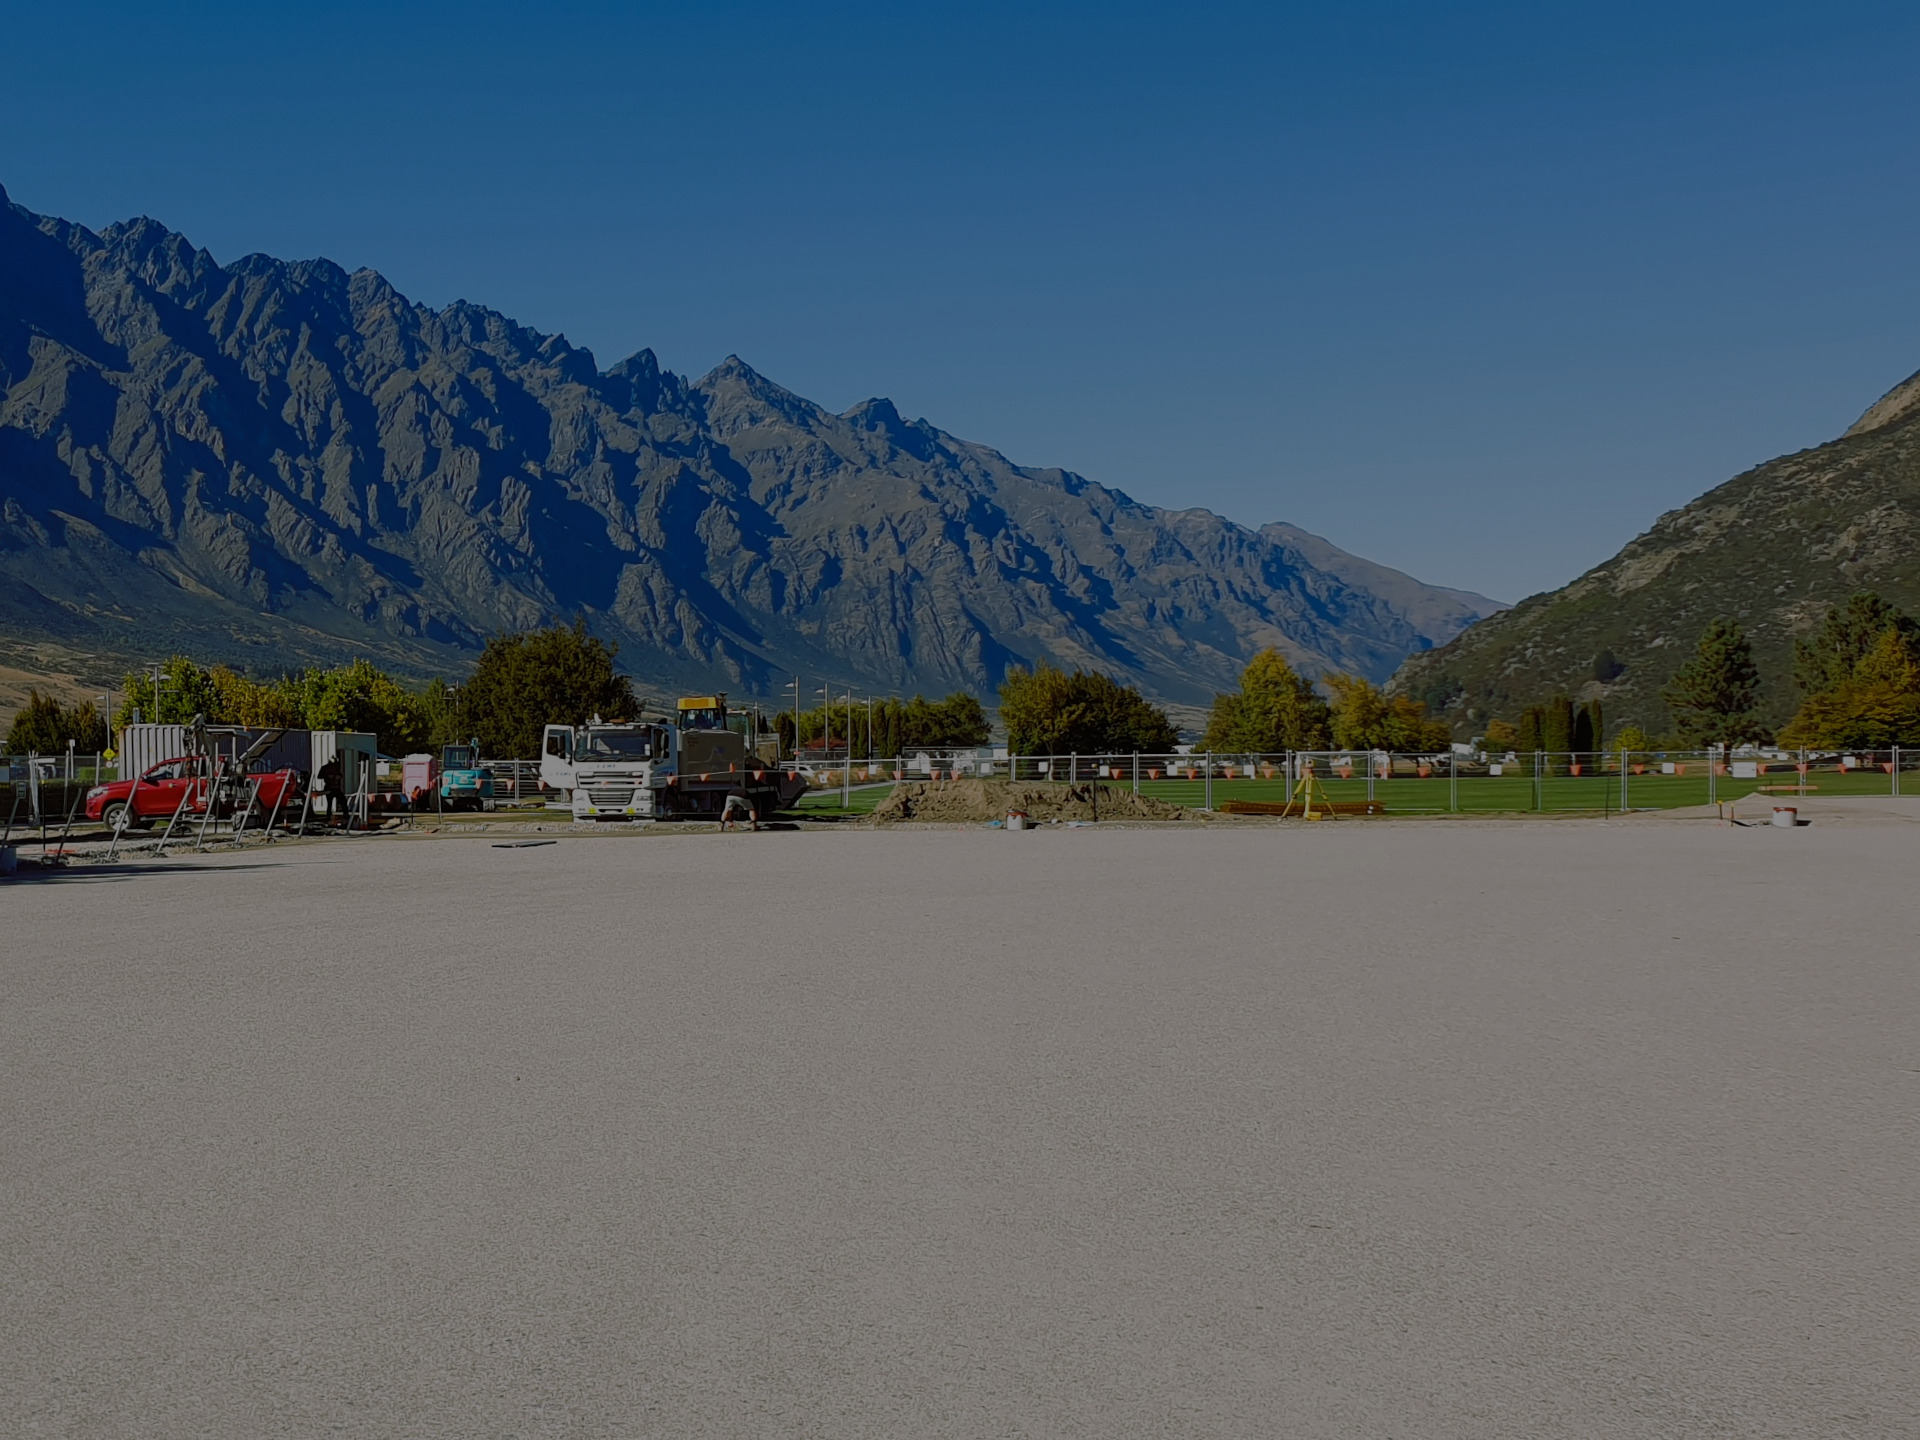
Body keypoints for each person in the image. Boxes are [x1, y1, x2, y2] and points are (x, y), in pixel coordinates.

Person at [317, 756, 344, 823]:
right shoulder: (324, 768)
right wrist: (327, 776)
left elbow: (341, 775)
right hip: (328, 787)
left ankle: (345, 814)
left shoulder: (336, 767)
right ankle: (328, 817)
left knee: (343, 800)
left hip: (336, 787)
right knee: (329, 803)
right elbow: (319, 776)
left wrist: (338, 777)